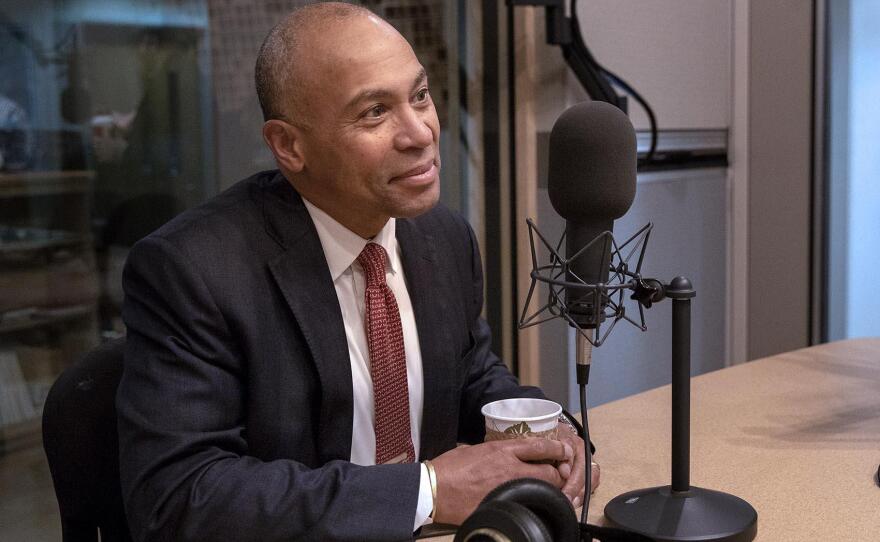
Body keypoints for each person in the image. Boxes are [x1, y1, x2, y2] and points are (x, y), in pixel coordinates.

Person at [117, 3, 595, 540]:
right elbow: (181, 497)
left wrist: (549, 441)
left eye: (419, 96)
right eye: (374, 112)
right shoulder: (192, 270)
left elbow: (471, 376)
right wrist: (430, 489)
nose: (420, 133)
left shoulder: (443, 237)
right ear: (289, 146)